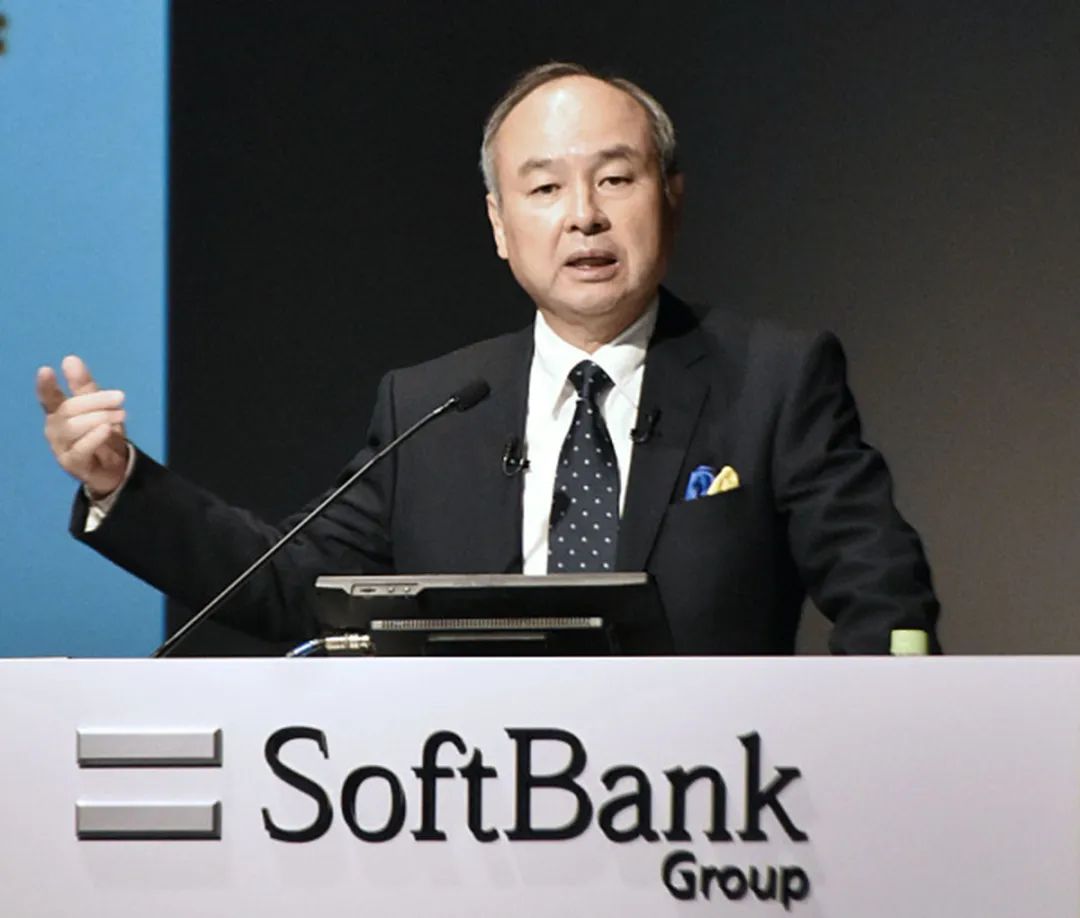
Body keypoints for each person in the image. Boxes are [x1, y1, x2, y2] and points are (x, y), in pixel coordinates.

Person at [37, 62, 940, 654]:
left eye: (615, 179)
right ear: (500, 227)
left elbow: (883, 599)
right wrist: (123, 485)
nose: (583, 215)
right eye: (544, 188)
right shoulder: (432, 406)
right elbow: (287, 585)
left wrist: (855, 760)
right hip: (476, 813)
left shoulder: (774, 380)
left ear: (670, 196)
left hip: (705, 817)